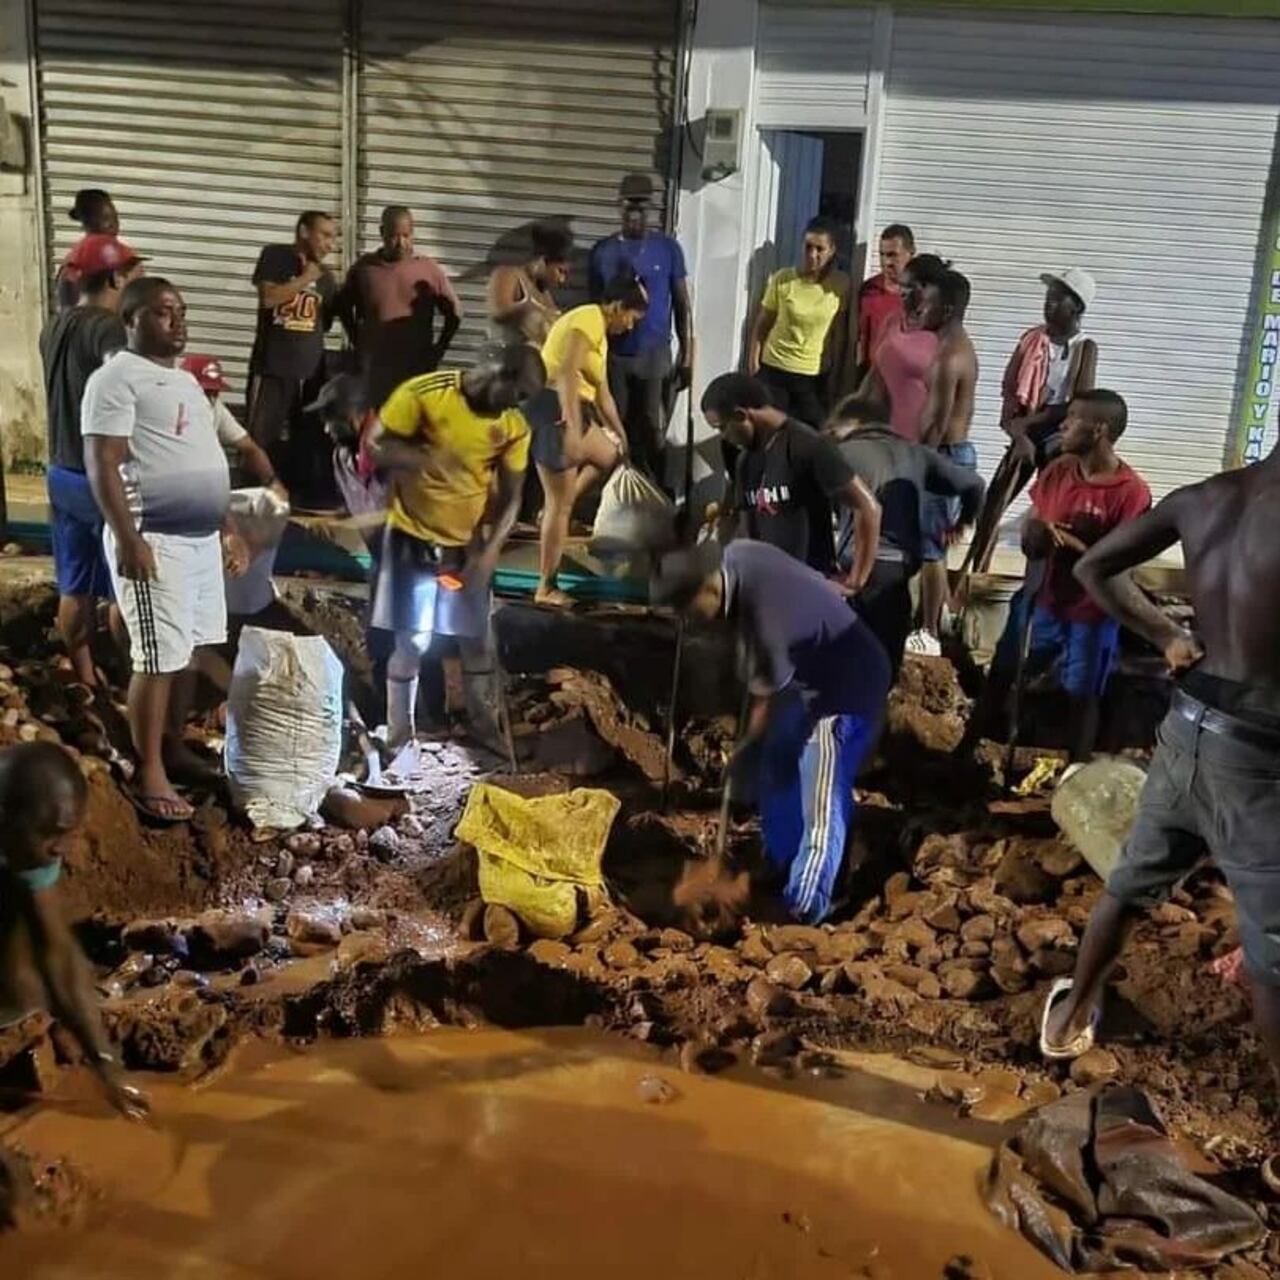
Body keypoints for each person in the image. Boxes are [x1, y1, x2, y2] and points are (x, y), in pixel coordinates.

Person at [1040, 441, 1280, 1188]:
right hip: (1258, 752)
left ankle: (1071, 1015)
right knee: (1274, 953)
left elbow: (1092, 567)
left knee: (1133, 885)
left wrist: (1168, 635)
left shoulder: (1206, 495)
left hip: (1186, 726)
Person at [653, 539, 890, 925]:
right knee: (776, 761)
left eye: (691, 611)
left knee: (821, 782)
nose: (693, 622)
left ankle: (806, 902)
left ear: (710, 589)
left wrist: (746, 747)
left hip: (848, 687)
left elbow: (768, 700)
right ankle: (783, 860)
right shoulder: (738, 555)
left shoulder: (766, 619)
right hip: (812, 672)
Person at [83, 278, 246, 824]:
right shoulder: (115, 379)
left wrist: (227, 528)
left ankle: (174, 745)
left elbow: (201, 458)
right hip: (155, 539)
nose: (177, 321)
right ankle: (149, 768)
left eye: (180, 311)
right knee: (157, 657)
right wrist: (130, 539)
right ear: (131, 319)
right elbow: (103, 463)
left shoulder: (184, 382)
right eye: (162, 312)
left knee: (190, 650)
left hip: (200, 542)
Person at [367, 345, 545, 751]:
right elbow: (375, 445)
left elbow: (513, 498)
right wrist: (421, 458)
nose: (518, 405)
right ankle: (399, 735)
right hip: (412, 537)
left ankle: (483, 727)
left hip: (465, 546)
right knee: (412, 642)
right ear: (499, 372)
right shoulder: (426, 394)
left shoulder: (513, 426)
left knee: (477, 643)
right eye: (517, 393)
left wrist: (488, 555)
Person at [977, 390, 1150, 762]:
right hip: (1041, 599)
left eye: (1073, 417)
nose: (1063, 425)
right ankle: (965, 748)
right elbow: (1033, 535)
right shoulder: (1058, 471)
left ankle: (1075, 770)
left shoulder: (1131, 493)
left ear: (1099, 429)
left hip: (1091, 612)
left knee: (1082, 696)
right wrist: (1034, 535)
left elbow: (1119, 564)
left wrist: (1068, 541)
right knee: (1003, 675)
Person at [0, 742, 148, 1120]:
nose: (63, 849)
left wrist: (103, 1061)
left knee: (25, 982)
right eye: (54, 835)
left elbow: (58, 953)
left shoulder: (28, 844)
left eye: (70, 833)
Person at [39, 234, 144, 686]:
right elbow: (121, 374)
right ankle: (133, 678)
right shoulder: (109, 327)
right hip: (103, 477)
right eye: (134, 271)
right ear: (117, 275)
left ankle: (85, 678)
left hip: (62, 472)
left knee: (75, 584)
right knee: (129, 588)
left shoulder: (54, 326)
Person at [825, 395, 985, 682]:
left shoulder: (843, 454)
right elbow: (974, 484)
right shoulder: (917, 455)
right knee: (885, 661)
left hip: (852, 573)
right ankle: (872, 719)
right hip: (898, 572)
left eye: (834, 428)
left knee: (847, 660)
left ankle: (846, 719)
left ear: (855, 424)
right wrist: (962, 522)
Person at [524, 279, 648, 607]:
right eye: (632, 317)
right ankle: (545, 587)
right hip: (556, 408)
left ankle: (555, 511)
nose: (631, 325)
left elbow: (603, 395)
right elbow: (566, 371)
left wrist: (622, 436)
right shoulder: (589, 318)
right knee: (559, 505)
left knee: (611, 457)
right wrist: (571, 420)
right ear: (617, 307)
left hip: (577, 408)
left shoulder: (601, 338)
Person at [969, 269, 1099, 575]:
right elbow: (1011, 392)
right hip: (1026, 429)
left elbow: (1078, 402)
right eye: (1048, 299)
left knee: (1051, 507)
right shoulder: (1031, 340)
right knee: (994, 503)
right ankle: (976, 571)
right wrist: (1019, 433)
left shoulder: (1084, 347)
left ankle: (1041, 572)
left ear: (1076, 308)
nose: (1049, 305)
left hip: (1058, 434)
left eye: (1058, 301)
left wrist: (1031, 423)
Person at [700, 372, 880, 592]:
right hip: (765, 587)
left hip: (807, 587)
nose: (723, 437)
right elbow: (738, 521)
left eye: (722, 427)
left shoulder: (808, 446)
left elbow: (868, 507)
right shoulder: (745, 461)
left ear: (741, 415)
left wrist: (855, 581)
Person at [588, 174, 692, 482]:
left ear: (651, 208)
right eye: (628, 206)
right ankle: (615, 494)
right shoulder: (602, 252)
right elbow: (595, 309)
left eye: (641, 207)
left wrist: (687, 356)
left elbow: (683, 304)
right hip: (616, 356)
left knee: (652, 428)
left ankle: (655, 495)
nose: (634, 214)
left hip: (654, 354)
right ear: (618, 207)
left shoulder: (668, 249)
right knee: (613, 427)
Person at [247, 211, 338, 508]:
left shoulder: (327, 278)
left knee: (305, 441)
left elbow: (326, 322)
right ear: (303, 231)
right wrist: (305, 279)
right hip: (273, 367)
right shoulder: (276, 256)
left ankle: (297, 503)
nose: (329, 244)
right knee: (262, 437)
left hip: (309, 372)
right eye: (324, 234)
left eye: (333, 237)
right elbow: (269, 298)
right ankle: (254, 500)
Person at [914, 268, 980, 656]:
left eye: (930, 299)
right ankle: (930, 621)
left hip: (943, 455)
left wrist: (914, 461)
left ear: (949, 307)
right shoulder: (952, 345)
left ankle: (929, 631)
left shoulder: (949, 355)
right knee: (929, 547)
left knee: (930, 551)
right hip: (950, 455)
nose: (922, 305)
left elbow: (936, 423)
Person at [337, 205, 462, 409]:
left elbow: (454, 314)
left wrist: (437, 351)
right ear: (381, 233)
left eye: (406, 235)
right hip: (375, 372)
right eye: (394, 236)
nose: (401, 243)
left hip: (415, 370)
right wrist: (356, 341)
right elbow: (342, 305)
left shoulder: (428, 270)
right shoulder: (364, 269)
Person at [747, 216, 850, 427]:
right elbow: (762, 325)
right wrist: (754, 365)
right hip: (774, 369)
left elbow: (839, 334)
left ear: (831, 251)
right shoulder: (783, 279)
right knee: (766, 432)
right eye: (808, 247)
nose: (812, 255)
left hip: (811, 376)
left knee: (812, 433)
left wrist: (836, 377)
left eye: (820, 249)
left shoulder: (840, 285)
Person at [857, 253, 950, 443]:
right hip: (877, 432)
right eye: (902, 285)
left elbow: (943, 405)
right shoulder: (892, 321)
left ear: (928, 289)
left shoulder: (942, 335)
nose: (902, 292)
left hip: (912, 441)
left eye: (909, 287)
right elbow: (874, 374)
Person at [179, 355, 286, 499]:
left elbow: (250, 448)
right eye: (205, 391)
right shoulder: (169, 411)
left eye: (214, 391)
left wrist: (272, 482)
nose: (210, 397)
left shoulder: (215, 407)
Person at [488, 221, 573, 348]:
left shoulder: (543, 290)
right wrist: (527, 307)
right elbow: (498, 312)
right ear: (542, 261)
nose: (562, 280)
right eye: (560, 271)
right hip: (507, 360)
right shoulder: (508, 273)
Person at [853, 223, 915, 381]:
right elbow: (861, 340)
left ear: (911, 253)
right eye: (882, 254)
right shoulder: (868, 290)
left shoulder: (921, 295)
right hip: (871, 381)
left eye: (893, 255)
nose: (886, 262)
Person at [55, 189, 122, 311]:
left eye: (114, 217)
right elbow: (68, 313)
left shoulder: (124, 256)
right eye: (105, 218)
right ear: (87, 223)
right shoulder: (75, 263)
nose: (113, 224)